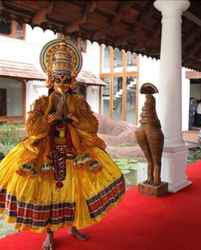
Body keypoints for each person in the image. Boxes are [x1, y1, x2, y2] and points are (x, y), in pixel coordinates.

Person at [0, 39, 125, 250]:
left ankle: (74, 226)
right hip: (46, 152)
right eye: (57, 77)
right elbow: (32, 127)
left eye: (65, 78)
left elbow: (91, 123)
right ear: (50, 78)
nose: (61, 82)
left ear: (72, 79)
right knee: (48, 192)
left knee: (76, 191)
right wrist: (46, 121)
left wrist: (75, 119)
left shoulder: (78, 102)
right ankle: (49, 234)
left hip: (74, 150)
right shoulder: (41, 102)